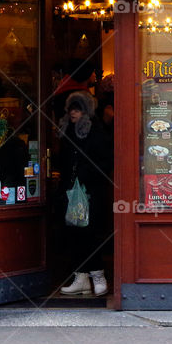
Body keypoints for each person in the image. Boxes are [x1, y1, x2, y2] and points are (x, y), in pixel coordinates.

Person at [57, 90, 112, 296]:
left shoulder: (97, 131)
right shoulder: (66, 130)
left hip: (92, 191)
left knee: (92, 233)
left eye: (78, 109)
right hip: (71, 192)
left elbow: (105, 161)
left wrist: (87, 174)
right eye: (71, 108)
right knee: (74, 232)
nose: (73, 113)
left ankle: (98, 276)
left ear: (85, 111)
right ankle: (81, 278)